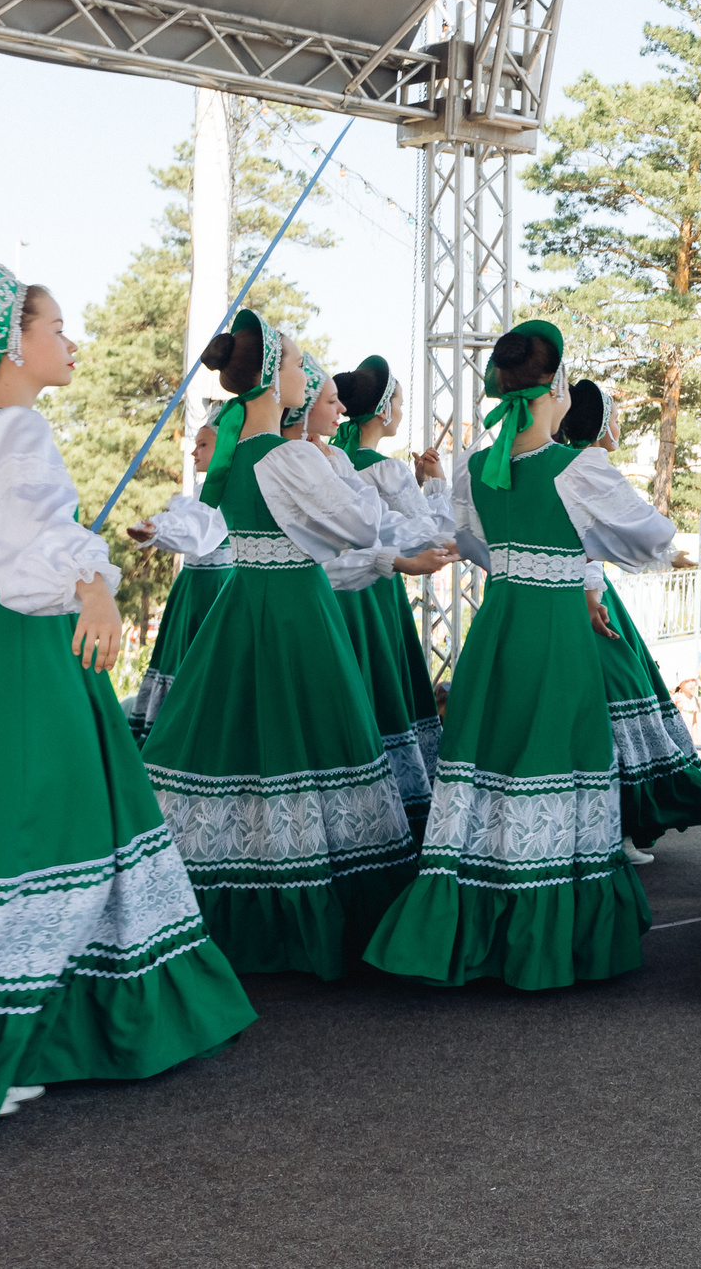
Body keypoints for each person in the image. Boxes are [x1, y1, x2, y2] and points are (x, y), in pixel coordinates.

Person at [0, 264, 255, 1150]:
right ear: (14, 345)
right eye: (57, 327)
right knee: (39, 833)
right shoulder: (14, 428)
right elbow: (35, 549)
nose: (71, 341)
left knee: (9, 834)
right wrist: (94, 582)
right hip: (18, 654)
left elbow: (25, 538)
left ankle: (4, 1036)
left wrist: (89, 566)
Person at [365, 321, 674, 990]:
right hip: (556, 636)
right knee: (554, 760)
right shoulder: (577, 467)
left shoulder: (479, 466)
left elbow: (469, 545)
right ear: (557, 385)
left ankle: (474, 920)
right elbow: (648, 536)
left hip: (500, 625)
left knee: (492, 760)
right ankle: (549, 934)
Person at [142, 314, 421, 979]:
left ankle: (224, 904)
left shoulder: (239, 456)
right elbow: (354, 525)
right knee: (309, 746)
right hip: (296, 612)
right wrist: (390, 513)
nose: (306, 373)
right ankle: (307, 915)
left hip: (244, 610)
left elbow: (216, 527)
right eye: (297, 363)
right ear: (272, 376)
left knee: (241, 748)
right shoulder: (289, 455)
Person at [555, 379, 701, 862]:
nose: (619, 425)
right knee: (618, 696)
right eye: (612, 415)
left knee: (610, 701)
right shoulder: (584, 465)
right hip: (582, 596)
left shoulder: (565, 464)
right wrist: (599, 586)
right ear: (596, 423)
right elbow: (597, 536)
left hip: (575, 593)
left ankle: (614, 826)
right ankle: (616, 828)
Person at [327, 355, 454, 830]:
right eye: (398, 403)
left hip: (329, 593)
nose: (400, 411)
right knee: (382, 691)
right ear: (382, 412)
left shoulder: (330, 462)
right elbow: (430, 536)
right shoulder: (386, 470)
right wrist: (436, 487)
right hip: (375, 592)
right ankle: (392, 814)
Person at [120, 421, 232, 742]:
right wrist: (156, 528)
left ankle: (199, 734)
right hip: (192, 589)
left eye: (203, 445)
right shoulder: (198, 494)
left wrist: (159, 530)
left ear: (225, 446)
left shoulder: (225, 492)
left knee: (206, 666)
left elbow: (200, 531)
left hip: (217, 590)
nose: (194, 452)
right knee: (182, 662)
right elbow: (190, 520)